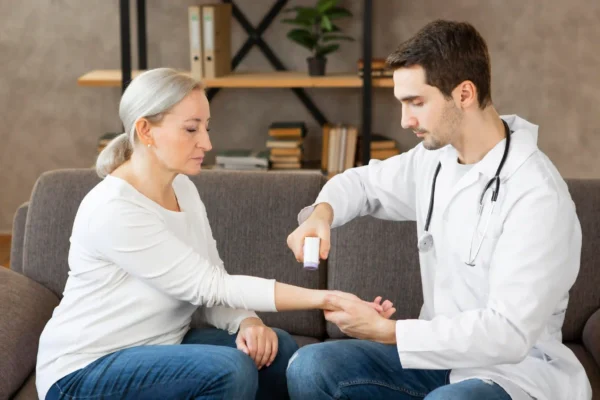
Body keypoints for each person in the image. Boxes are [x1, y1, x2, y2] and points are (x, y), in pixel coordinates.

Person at [36, 68, 394, 400]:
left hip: (160, 346)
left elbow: (213, 278)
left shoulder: (184, 189)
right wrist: (327, 299)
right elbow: (209, 286)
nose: (206, 143)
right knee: (229, 369)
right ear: (145, 131)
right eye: (191, 129)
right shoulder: (114, 208)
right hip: (83, 371)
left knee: (276, 348)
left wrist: (247, 321)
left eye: (207, 127)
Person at [285, 19, 592, 400]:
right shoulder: (434, 160)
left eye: (417, 102)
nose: (404, 120)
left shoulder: (537, 195)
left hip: (515, 375)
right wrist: (322, 213)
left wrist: (388, 332)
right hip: (437, 362)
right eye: (402, 103)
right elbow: (363, 184)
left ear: (464, 94)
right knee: (311, 368)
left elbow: (508, 334)